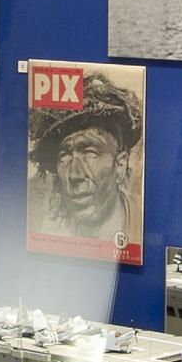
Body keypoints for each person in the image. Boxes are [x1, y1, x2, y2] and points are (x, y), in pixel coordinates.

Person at [31, 72, 141, 259]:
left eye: (90, 153)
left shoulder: (143, 225)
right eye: (64, 156)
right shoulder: (43, 226)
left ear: (120, 165)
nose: (75, 175)